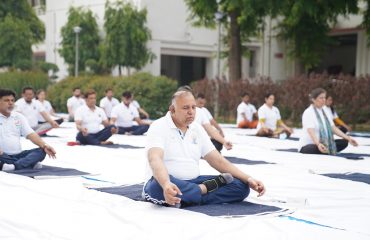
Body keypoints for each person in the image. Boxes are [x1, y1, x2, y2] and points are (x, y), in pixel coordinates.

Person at [143, 90, 265, 207]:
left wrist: (249, 179)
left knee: (241, 186)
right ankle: (199, 192)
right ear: (172, 109)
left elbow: (217, 160)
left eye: (193, 107)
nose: (191, 112)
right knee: (156, 187)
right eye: (186, 108)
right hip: (166, 180)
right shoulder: (158, 126)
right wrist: (166, 184)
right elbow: (155, 159)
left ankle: (188, 198)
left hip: (193, 181)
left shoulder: (197, 128)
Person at [0, 89, 56, 171]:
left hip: (18, 154)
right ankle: (28, 164)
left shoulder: (18, 117)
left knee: (42, 151)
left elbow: (30, 134)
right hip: (2, 155)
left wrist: (44, 145)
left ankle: (14, 166)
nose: (10, 103)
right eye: (6, 100)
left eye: (12, 100)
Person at [299, 88, 358, 155]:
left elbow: (333, 128)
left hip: (325, 143)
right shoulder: (308, 112)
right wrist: (318, 144)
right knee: (314, 148)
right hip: (310, 145)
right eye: (321, 98)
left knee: (344, 142)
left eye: (324, 98)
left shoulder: (325, 111)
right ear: (313, 100)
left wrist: (348, 138)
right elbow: (311, 131)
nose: (324, 100)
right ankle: (324, 149)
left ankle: (325, 149)